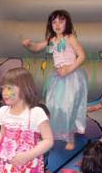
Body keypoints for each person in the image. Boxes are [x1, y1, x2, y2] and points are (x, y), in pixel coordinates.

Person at [22, 9, 88, 151]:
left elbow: (82, 56)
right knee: (53, 106)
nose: (57, 25)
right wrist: (29, 44)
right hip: (58, 78)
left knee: (68, 107)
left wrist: (69, 69)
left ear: (67, 23)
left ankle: (70, 137)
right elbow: (37, 47)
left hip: (71, 77)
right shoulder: (51, 40)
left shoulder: (70, 37)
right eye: (54, 22)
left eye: (61, 21)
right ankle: (51, 134)